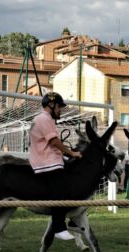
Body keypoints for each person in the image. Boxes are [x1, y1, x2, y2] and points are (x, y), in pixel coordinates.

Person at [29, 92, 82, 240]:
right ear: (51, 105)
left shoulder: (45, 120)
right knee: (62, 189)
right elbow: (54, 142)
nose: (61, 110)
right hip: (47, 163)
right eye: (59, 107)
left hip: (49, 161)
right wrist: (71, 153)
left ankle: (72, 220)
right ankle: (59, 228)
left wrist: (65, 155)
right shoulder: (44, 118)